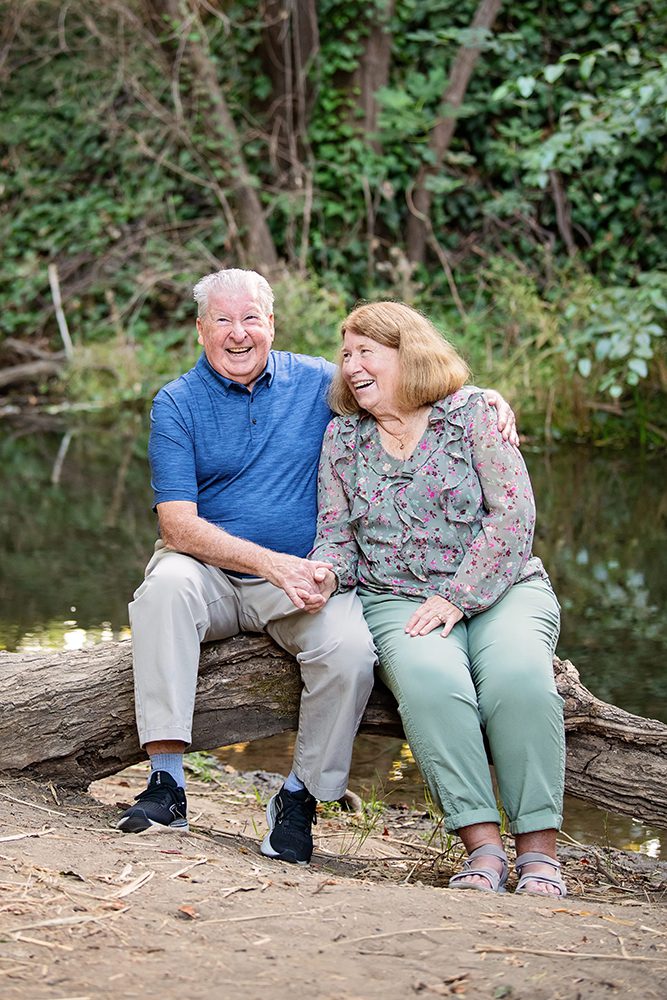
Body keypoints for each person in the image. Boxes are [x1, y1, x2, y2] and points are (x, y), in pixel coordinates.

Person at [118, 269, 517, 868]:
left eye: (251, 317)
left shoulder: (317, 382)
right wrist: (268, 563)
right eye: (222, 320)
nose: (238, 333)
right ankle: (168, 781)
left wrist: (485, 399)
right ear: (201, 330)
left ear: (271, 324)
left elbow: (405, 381)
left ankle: (301, 797)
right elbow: (177, 527)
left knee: (353, 648)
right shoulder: (176, 403)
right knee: (164, 588)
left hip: (306, 580)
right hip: (212, 575)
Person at [310, 301, 567, 896]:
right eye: (345, 355)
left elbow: (513, 518)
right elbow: (336, 533)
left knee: (519, 680)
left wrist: (459, 597)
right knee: (432, 684)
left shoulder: (474, 414)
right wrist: (323, 575)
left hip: (502, 589)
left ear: (408, 354)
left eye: (365, 352)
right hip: (397, 597)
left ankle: (539, 855)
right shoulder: (343, 438)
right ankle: (484, 850)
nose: (351, 365)